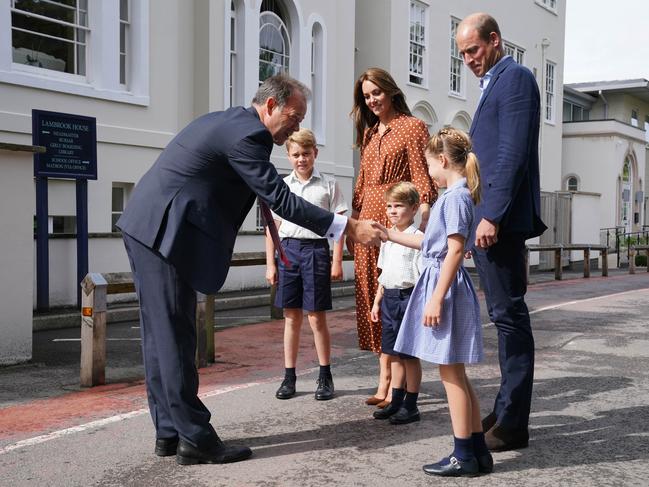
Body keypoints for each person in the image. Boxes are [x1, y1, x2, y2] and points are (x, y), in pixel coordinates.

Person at [116, 74, 385, 466]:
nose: (297, 126)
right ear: (272, 106)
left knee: (160, 338)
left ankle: (170, 432)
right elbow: (281, 199)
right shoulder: (249, 136)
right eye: (294, 117)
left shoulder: (229, 121)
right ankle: (194, 439)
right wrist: (349, 227)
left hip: (149, 227)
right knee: (174, 337)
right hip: (164, 233)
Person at [456, 13, 547, 451]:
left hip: (500, 222)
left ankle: (513, 422)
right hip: (493, 220)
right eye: (463, 54)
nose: (469, 59)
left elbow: (511, 154)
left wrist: (489, 215)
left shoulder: (516, 78)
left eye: (473, 50)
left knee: (510, 320)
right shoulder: (495, 81)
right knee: (504, 317)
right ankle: (505, 409)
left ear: (495, 40)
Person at [385, 128, 492, 477]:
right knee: (456, 373)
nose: (429, 173)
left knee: (450, 374)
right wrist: (388, 234)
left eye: (430, 165)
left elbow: (456, 251)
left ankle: (463, 454)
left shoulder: (454, 198)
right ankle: (476, 451)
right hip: (441, 282)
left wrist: (435, 298)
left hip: (443, 288)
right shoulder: (455, 196)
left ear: (443, 161)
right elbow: (434, 247)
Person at [350, 67, 436, 408]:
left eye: (376, 93)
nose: (372, 100)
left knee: (395, 299)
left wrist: (425, 225)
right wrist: (353, 224)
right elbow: (360, 185)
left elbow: (422, 178)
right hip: (366, 226)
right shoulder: (370, 134)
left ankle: (394, 383)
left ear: (390, 91)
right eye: (366, 96)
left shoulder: (412, 127)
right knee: (373, 300)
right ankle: (383, 377)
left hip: (394, 225)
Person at [265, 128, 348, 401]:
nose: (302, 159)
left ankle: (325, 375)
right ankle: (289, 376)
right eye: (296, 154)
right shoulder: (282, 186)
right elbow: (272, 229)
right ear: (288, 156)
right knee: (291, 317)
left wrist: (337, 260)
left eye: (306, 153)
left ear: (315, 153)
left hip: (315, 251)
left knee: (316, 317)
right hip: (288, 251)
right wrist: (271, 264)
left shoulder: (328, 185)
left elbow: (339, 226)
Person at [369, 182, 423, 425]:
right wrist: (377, 302)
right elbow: (384, 274)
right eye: (389, 205)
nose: (392, 211)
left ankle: (411, 405)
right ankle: (396, 401)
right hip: (390, 298)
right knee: (392, 355)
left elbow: (422, 277)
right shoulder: (387, 238)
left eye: (398, 206)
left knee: (409, 356)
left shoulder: (418, 239)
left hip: (408, 298)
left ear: (413, 209)